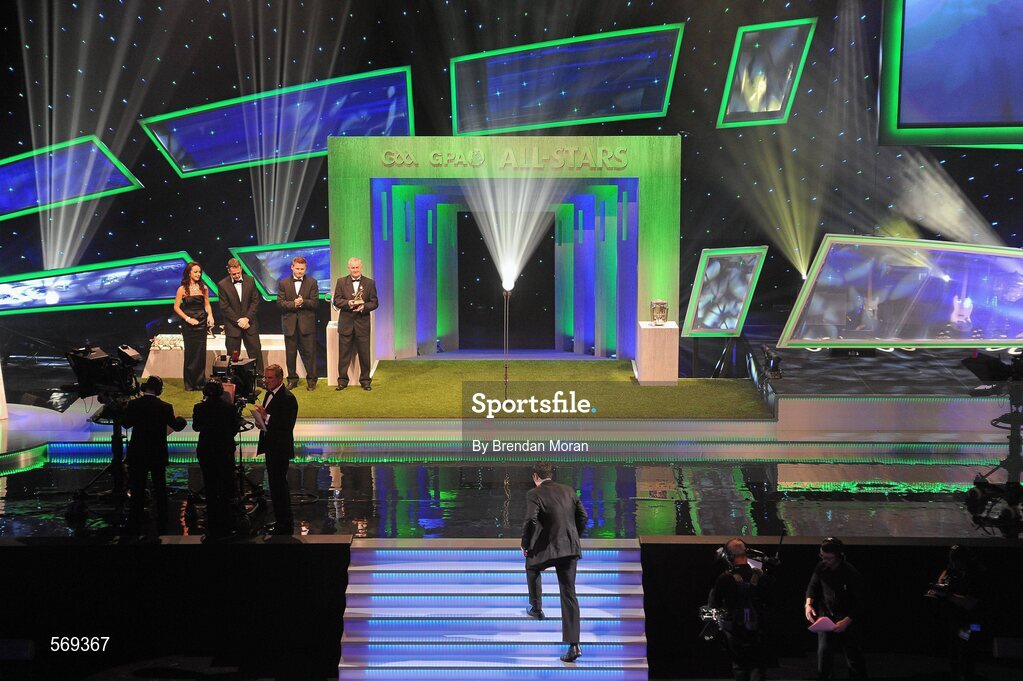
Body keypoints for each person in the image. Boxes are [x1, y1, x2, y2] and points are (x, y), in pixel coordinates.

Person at [520, 461, 588, 663]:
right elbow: (583, 516)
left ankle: (536, 607)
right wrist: (574, 537)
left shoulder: (534, 493)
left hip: (549, 548)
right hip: (569, 547)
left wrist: (526, 544)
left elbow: (530, 520)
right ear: (552, 474)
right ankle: (574, 645)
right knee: (569, 594)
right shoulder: (568, 490)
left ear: (535, 477)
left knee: (531, 564)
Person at [122, 375, 187, 534]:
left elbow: (126, 423)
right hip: (157, 453)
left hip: (138, 452)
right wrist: (181, 420)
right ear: (159, 390)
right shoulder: (165, 407)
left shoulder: (134, 404)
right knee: (160, 487)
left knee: (138, 488)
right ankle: (163, 519)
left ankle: (135, 520)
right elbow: (176, 427)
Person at [804, 538, 868, 680]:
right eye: (822, 556)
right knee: (824, 654)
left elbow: (860, 603)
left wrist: (846, 621)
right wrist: (808, 604)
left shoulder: (850, 573)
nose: (824, 560)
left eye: (828, 558)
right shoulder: (820, 567)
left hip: (847, 619)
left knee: (853, 657)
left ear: (838, 556)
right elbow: (812, 586)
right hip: (827, 617)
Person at [709, 538, 769, 681]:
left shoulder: (724, 578)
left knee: (739, 666)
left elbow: (715, 604)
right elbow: (771, 600)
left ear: (729, 557)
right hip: (758, 629)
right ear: (746, 553)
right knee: (757, 665)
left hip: (734, 630)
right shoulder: (762, 577)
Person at [927, 545, 985, 681]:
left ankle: (966, 675)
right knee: (954, 650)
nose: (953, 563)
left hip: (973, 624)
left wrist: (947, 596)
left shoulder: (975, 575)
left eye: (956, 560)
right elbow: (942, 581)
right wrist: (938, 587)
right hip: (956, 621)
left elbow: (970, 604)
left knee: (964, 649)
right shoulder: (953, 569)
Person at [191, 378, 239, 540]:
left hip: (206, 452)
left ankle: (212, 522)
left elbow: (196, 427)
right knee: (225, 486)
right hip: (224, 452)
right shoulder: (230, 408)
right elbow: (234, 429)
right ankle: (226, 522)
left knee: (210, 485)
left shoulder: (199, 408)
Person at [253, 364, 298, 534]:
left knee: (279, 485)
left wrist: (266, 416)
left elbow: (287, 425)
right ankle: (281, 520)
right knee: (275, 484)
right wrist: (261, 421)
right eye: (265, 377)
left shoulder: (288, 398)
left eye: (270, 378)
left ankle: (284, 523)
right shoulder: (268, 394)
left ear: (280, 378)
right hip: (271, 445)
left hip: (280, 448)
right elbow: (271, 420)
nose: (266, 381)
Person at [332, 257, 378, 391]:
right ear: (349, 268)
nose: (355, 270)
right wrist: (349, 303)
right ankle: (342, 381)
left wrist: (363, 307)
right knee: (344, 354)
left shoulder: (370, 283)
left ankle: (365, 381)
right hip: (346, 324)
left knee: (364, 355)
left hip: (362, 324)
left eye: (357, 267)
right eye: (353, 268)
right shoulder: (341, 282)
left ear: (361, 267)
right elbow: (337, 301)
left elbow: (375, 302)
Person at [277, 256, 318, 391]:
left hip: (307, 325)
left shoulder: (312, 282)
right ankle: (292, 380)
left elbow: (315, 303)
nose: (300, 271)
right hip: (289, 325)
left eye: (302, 269)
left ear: (305, 269)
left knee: (309, 354)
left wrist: (303, 302)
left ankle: (311, 381)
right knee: (290, 354)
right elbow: (280, 304)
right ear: (292, 267)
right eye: (298, 268)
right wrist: (293, 304)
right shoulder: (283, 283)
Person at [174, 261, 215, 391]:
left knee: (201, 352)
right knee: (191, 352)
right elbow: (176, 307)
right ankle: (190, 383)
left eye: (199, 272)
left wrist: (210, 316)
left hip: (202, 322)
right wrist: (187, 319)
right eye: (195, 272)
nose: (198, 274)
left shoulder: (204, 288)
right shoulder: (182, 289)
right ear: (189, 273)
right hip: (189, 324)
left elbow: (207, 304)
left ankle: (200, 382)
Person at [218, 257, 263, 375]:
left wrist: (247, 318)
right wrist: (239, 321)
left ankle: (259, 378)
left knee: (255, 352)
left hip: (250, 324)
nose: (237, 276)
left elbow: (255, 302)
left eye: (238, 273)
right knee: (233, 355)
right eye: (234, 274)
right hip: (233, 326)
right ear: (229, 271)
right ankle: (233, 380)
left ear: (241, 268)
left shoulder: (250, 280)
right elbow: (224, 307)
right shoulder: (222, 285)